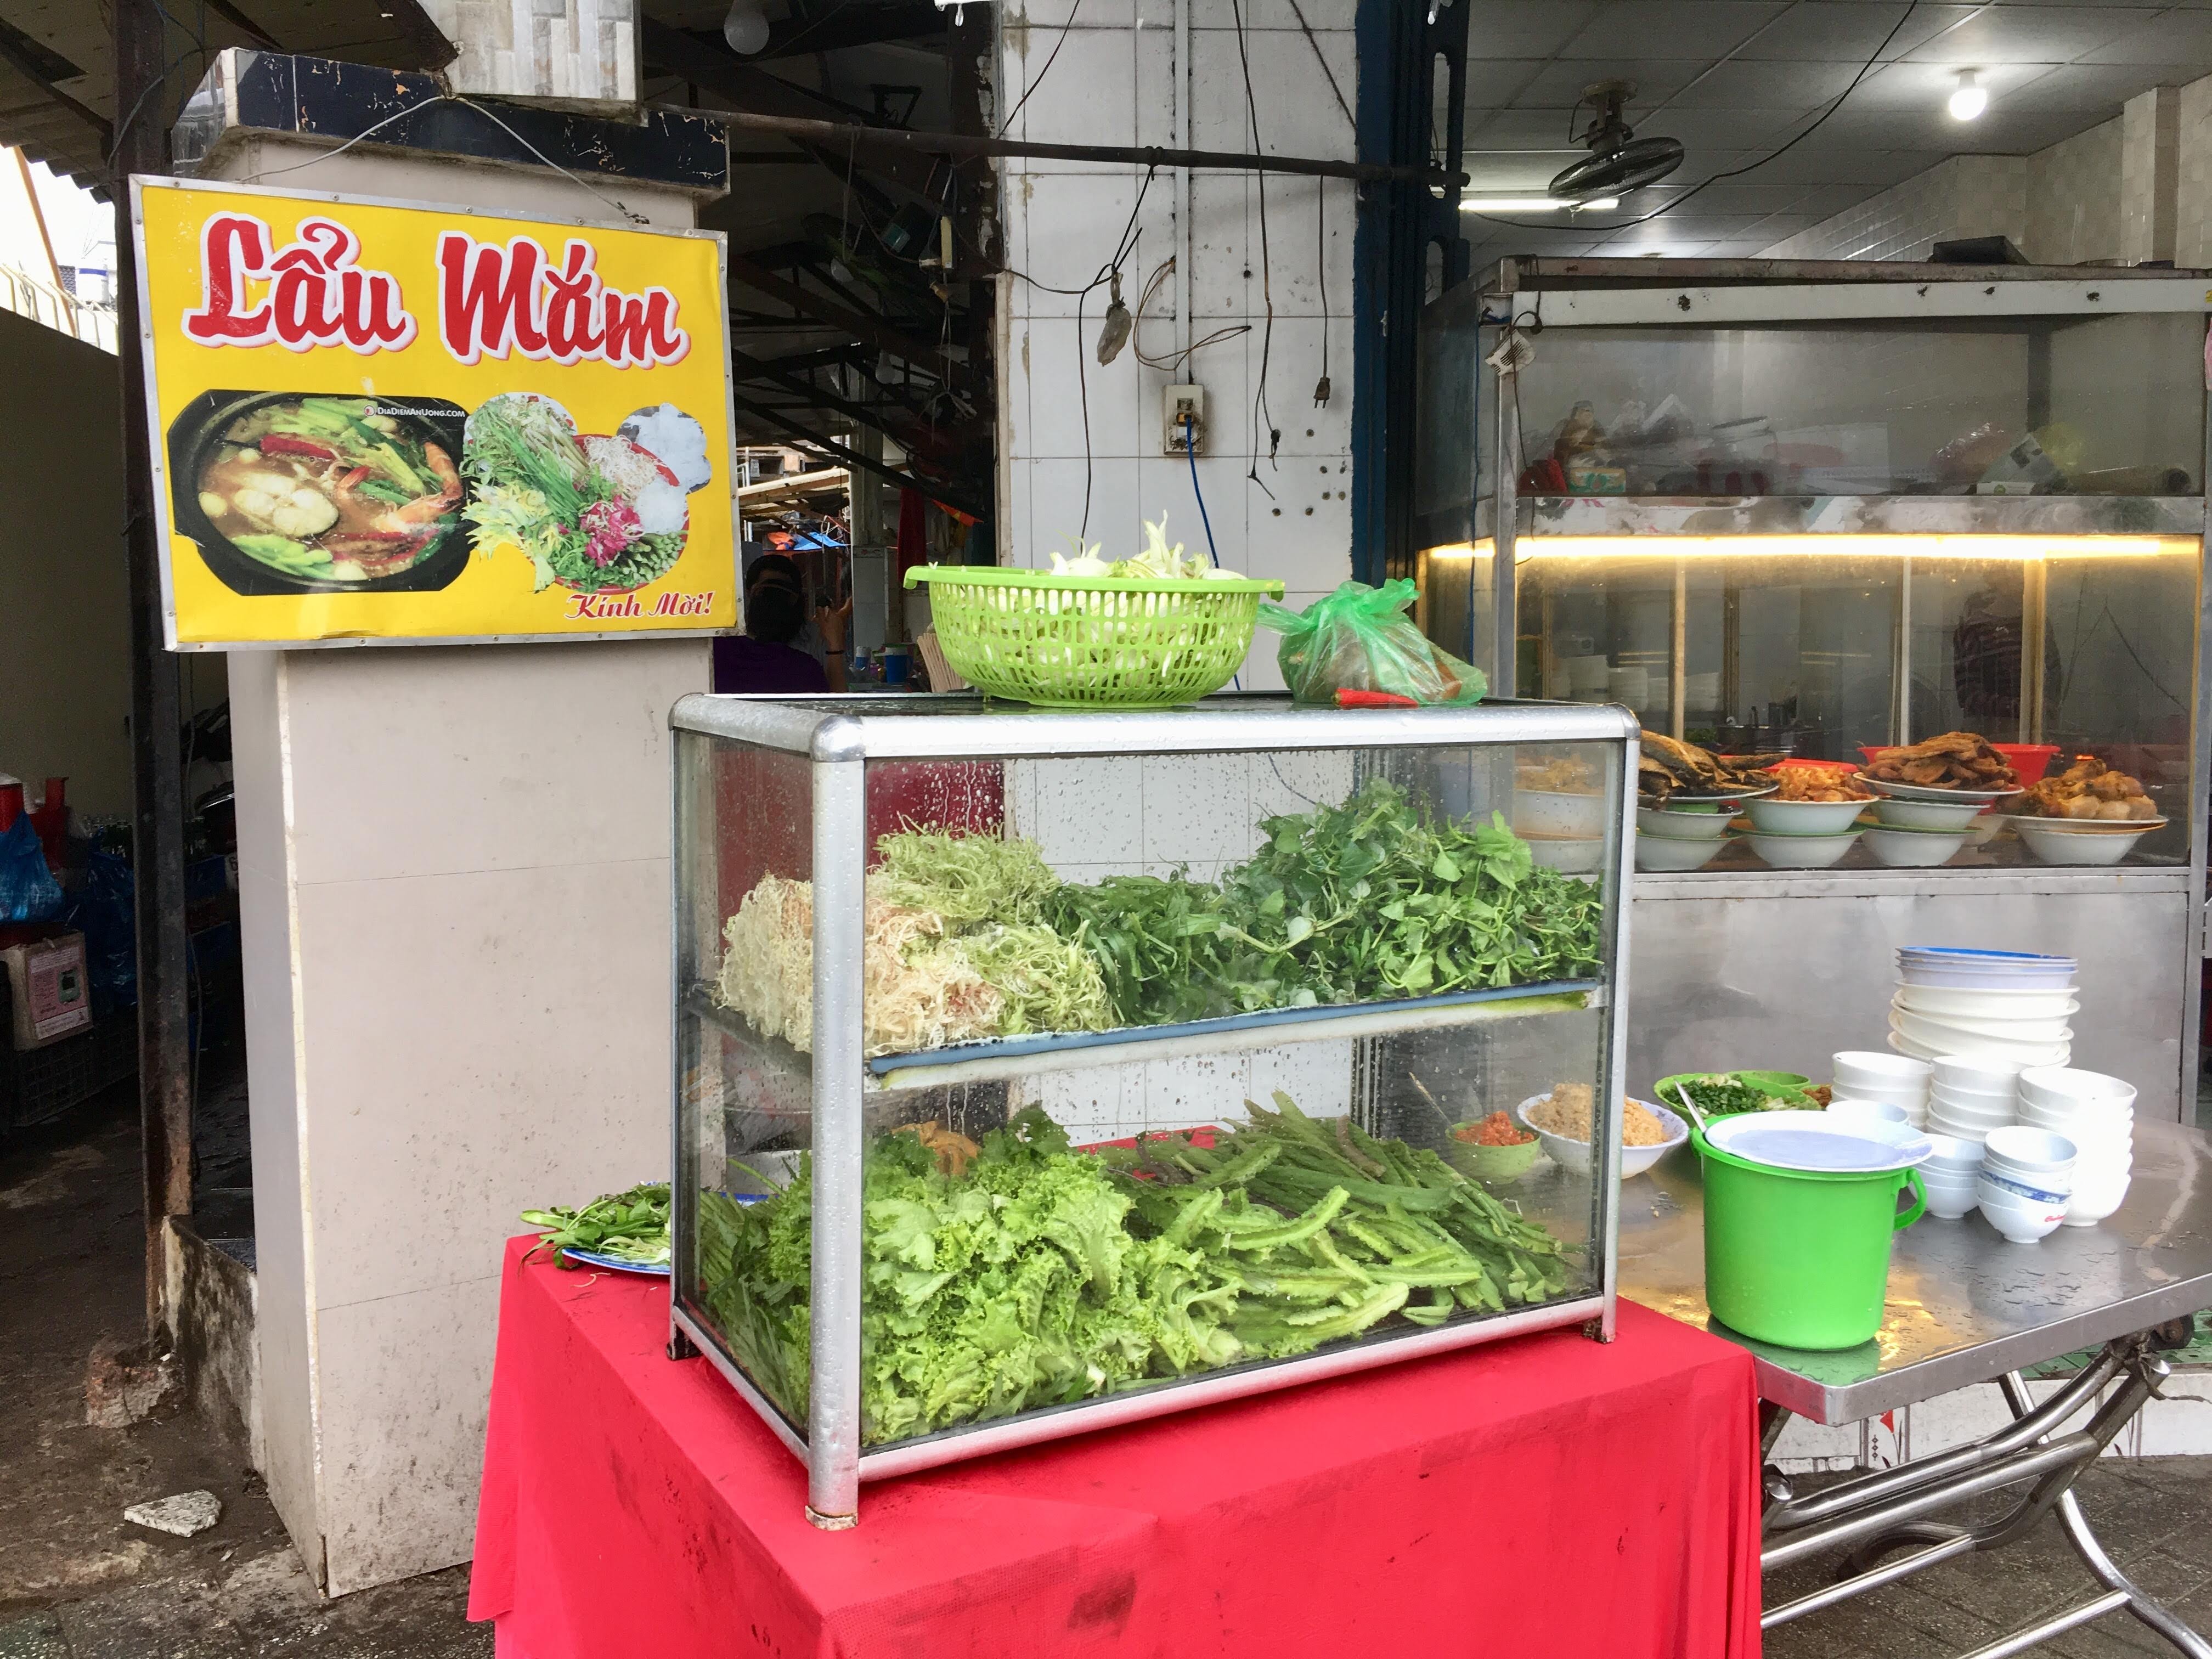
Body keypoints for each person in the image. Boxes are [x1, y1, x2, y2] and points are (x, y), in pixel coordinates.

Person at [713, 560, 832, 693]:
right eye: (767, 591)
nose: (774, 598)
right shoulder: (807, 667)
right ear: (750, 593)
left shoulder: (720, 649)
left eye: (782, 592)